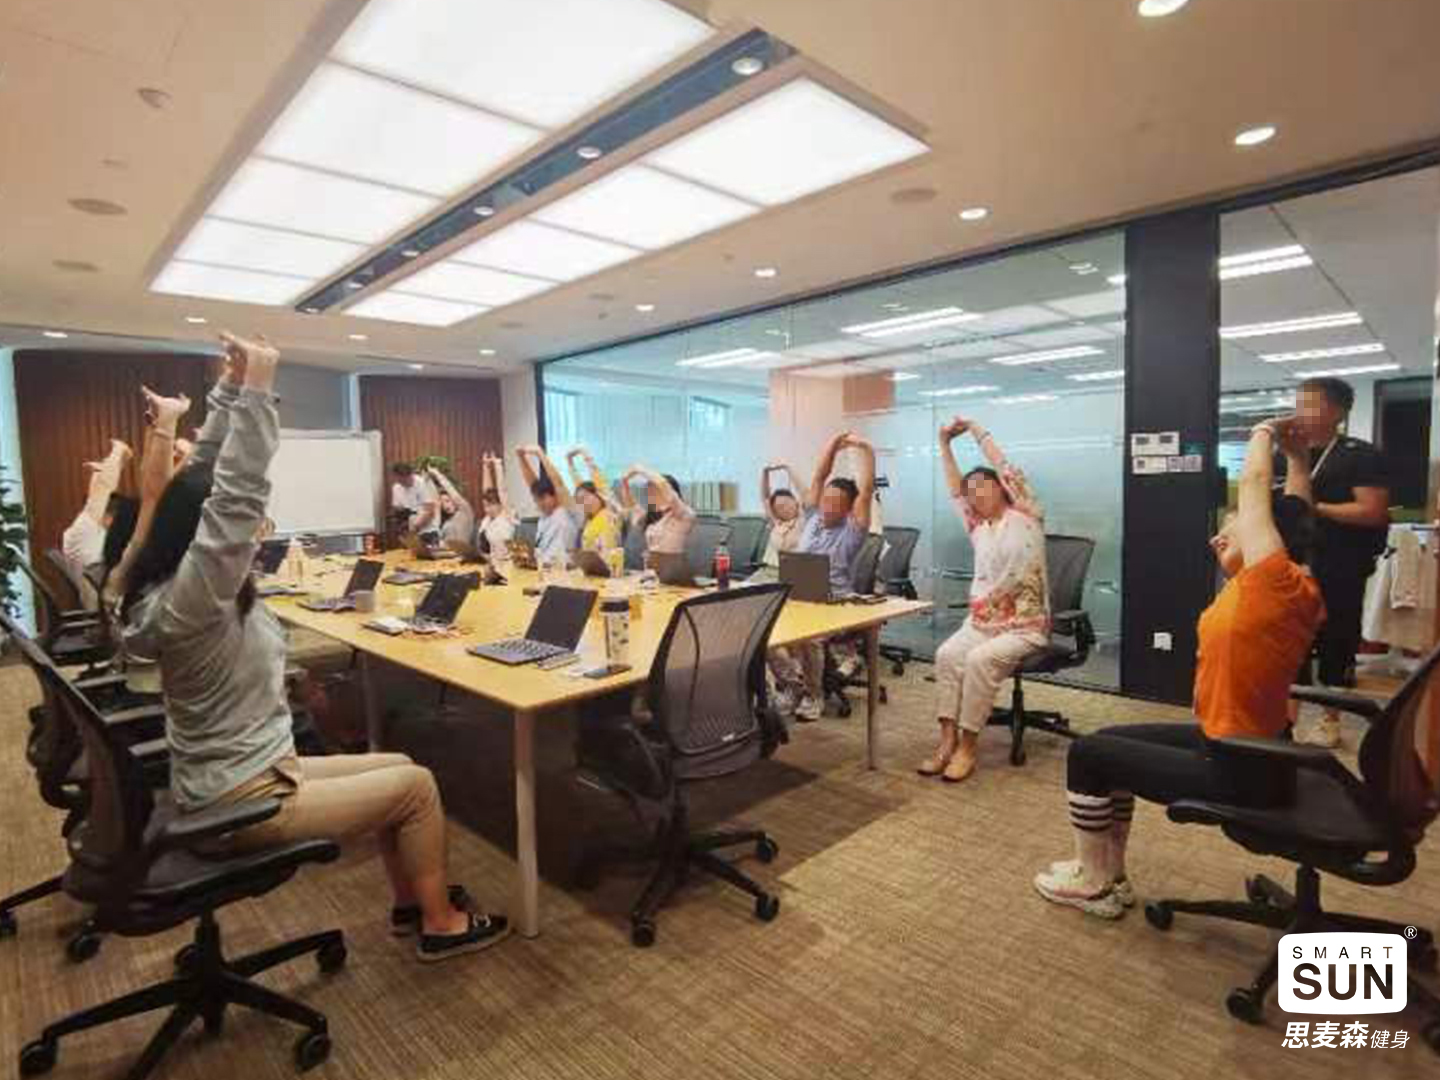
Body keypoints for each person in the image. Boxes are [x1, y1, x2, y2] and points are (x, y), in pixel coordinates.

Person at [121, 331, 507, 961]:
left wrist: (227, 392)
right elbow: (231, 496)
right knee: (418, 787)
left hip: (242, 773)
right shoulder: (196, 598)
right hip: (245, 799)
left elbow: (199, 483)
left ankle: (412, 903)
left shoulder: (164, 587)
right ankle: (441, 924)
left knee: (395, 762)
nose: (255, 532)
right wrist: (257, 388)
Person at [1032, 418, 1323, 919]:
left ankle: (1094, 882)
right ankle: (1109, 873)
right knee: (1107, 743)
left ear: (1264, 537)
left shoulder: (1272, 584)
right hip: (1252, 751)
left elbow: (1257, 487)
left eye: (1231, 526)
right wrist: (1298, 463)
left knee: (1087, 754)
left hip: (1240, 768)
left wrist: (1263, 432)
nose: (1218, 537)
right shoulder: (1295, 585)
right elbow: (1297, 518)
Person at [919, 418, 1050, 783]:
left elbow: (1003, 463)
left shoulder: (1025, 514)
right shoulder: (977, 526)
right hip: (981, 624)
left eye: (983, 485)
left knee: (979, 660)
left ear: (1002, 488)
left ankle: (967, 747)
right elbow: (954, 488)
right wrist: (944, 445)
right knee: (947, 655)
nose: (975, 493)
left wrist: (975, 429)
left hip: (1024, 627)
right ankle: (946, 742)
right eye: (971, 490)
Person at [1290, 376, 1390, 748]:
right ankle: (1286, 722)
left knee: (1336, 640)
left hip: (1340, 565)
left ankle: (1329, 721)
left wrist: (1315, 508)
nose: (1300, 410)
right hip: (1292, 565)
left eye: (1309, 403)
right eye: (1299, 402)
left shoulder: (1359, 455)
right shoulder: (1290, 452)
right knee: (1291, 642)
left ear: (1337, 411)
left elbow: (1372, 511)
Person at [771, 432, 876, 721]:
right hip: (799, 597)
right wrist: (833, 444)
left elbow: (866, 490)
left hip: (833, 603)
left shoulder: (852, 531)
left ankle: (814, 694)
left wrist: (866, 449)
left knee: (810, 639)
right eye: (826, 498)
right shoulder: (813, 518)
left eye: (836, 502)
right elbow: (819, 476)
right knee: (763, 631)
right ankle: (792, 685)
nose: (828, 504)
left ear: (848, 508)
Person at [61, 438, 132, 607]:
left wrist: (110, 466)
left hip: (102, 606)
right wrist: (118, 451)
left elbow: (99, 493)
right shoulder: (85, 532)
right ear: (110, 517)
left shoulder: (80, 535)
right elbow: (102, 491)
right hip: (112, 612)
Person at [514, 445, 581, 564]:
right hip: (543, 567)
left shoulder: (567, 511)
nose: (540, 504)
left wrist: (540, 454)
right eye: (536, 500)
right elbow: (532, 484)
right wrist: (521, 458)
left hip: (564, 569)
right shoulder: (544, 516)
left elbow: (558, 482)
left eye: (543, 498)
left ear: (555, 495)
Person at [617, 465, 695, 558]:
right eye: (649, 492)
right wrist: (624, 482)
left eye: (654, 491)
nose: (650, 496)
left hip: (672, 565)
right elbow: (631, 505)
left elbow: (663, 485)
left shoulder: (684, 513)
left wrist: (639, 469)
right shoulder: (653, 515)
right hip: (651, 565)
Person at [565, 446, 623, 553]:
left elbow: (598, 479)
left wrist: (585, 454)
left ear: (598, 494)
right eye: (580, 501)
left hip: (610, 562)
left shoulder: (610, 511)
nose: (585, 503)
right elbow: (579, 486)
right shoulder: (589, 521)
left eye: (587, 497)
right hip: (590, 562)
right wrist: (569, 463)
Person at [759, 463, 806, 571]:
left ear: (795, 501)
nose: (785, 509)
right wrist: (765, 472)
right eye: (780, 507)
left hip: (793, 572)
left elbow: (804, 492)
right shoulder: (776, 522)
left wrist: (788, 469)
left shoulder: (802, 520)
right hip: (769, 569)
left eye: (787, 503)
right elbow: (765, 497)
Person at [424, 467, 476, 555]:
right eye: (443, 503)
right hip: (446, 555)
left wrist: (437, 474)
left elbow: (451, 490)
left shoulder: (465, 511)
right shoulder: (446, 520)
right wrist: (427, 481)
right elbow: (435, 500)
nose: (446, 505)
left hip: (461, 557)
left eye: (448, 501)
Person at [477, 454, 517, 558]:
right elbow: (486, 491)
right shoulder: (487, 520)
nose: (487, 509)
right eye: (485, 506)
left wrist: (498, 465)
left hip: (507, 561)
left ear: (500, 504)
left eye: (491, 505)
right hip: (492, 560)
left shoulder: (507, 515)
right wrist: (486, 466)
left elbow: (502, 491)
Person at [391, 462, 438, 539]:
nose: (403, 483)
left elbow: (430, 510)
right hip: (408, 530)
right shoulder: (396, 487)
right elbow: (397, 508)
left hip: (427, 531)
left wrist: (415, 527)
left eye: (405, 479)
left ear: (411, 474)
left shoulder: (422, 483)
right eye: (400, 480)